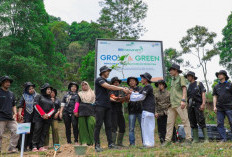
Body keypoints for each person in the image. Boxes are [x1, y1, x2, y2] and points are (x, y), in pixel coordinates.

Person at [94, 66, 130, 152]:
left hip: (107, 106)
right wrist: (122, 88)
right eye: (107, 71)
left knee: (109, 126)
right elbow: (109, 87)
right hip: (100, 106)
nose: (108, 72)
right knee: (98, 125)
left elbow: (108, 96)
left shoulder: (106, 81)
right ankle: (97, 145)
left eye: (109, 71)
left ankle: (110, 144)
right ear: (102, 72)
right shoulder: (99, 80)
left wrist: (118, 99)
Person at [162, 63, 191, 146]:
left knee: (185, 121)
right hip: (172, 105)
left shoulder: (181, 78)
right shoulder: (172, 80)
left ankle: (188, 139)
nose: (170, 71)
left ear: (176, 70)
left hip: (179, 103)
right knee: (169, 123)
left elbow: (184, 89)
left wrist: (183, 100)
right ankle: (167, 141)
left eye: (171, 70)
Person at [130, 72, 155, 147]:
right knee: (147, 127)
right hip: (148, 110)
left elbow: (141, 97)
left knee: (147, 127)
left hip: (148, 109)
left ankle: (147, 144)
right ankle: (149, 143)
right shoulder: (145, 87)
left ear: (146, 79)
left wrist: (131, 96)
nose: (141, 80)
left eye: (142, 78)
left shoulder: (148, 87)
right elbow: (138, 94)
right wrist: (131, 92)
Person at [185, 71, 208, 143]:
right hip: (190, 106)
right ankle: (196, 139)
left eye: (189, 76)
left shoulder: (199, 83)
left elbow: (203, 94)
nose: (188, 77)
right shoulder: (188, 86)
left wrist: (203, 104)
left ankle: (206, 139)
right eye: (187, 76)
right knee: (192, 121)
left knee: (201, 120)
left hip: (198, 104)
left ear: (192, 76)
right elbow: (188, 97)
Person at [32, 83, 55, 152]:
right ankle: (34, 146)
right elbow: (36, 105)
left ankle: (41, 146)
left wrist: (48, 115)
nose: (49, 91)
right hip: (38, 118)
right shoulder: (38, 96)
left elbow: (53, 109)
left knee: (44, 132)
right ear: (44, 89)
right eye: (48, 89)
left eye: (50, 89)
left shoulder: (50, 99)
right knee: (37, 130)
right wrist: (43, 114)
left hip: (47, 118)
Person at [0, 76, 19, 153]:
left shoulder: (11, 94)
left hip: (10, 117)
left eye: (9, 82)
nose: (8, 83)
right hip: (0, 117)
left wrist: (15, 113)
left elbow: (13, 105)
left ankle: (12, 148)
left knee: (17, 130)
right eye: (6, 82)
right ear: (2, 83)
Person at [154, 80, 177, 144]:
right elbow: (155, 104)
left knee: (171, 126)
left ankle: (174, 139)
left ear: (164, 85)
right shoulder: (156, 94)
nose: (160, 86)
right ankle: (162, 141)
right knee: (161, 128)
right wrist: (155, 112)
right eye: (158, 85)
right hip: (159, 112)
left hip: (168, 111)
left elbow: (172, 102)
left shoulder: (169, 93)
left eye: (161, 84)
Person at [73, 81, 95, 146]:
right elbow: (77, 103)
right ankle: (84, 142)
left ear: (88, 85)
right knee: (83, 127)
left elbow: (96, 102)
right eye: (82, 85)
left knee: (91, 124)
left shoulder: (93, 93)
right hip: (81, 111)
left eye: (85, 85)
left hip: (91, 111)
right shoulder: (79, 94)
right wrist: (76, 111)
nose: (84, 86)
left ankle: (93, 141)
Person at [17, 82, 37, 151]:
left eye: (32, 88)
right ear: (26, 90)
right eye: (29, 89)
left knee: (32, 131)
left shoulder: (36, 96)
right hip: (26, 115)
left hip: (34, 115)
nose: (31, 90)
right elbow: (20, 105)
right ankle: (22, 147)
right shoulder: (24, 96)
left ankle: (30, 146)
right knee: (25, 131)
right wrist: (19, 114)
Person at [213, 70, 232, 142]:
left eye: (220, 74)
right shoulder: (216, 86)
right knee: (220, 123)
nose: (219, 75)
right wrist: (214, 106)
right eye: (218, 74)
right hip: (219, 108)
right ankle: (223, 139)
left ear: (224, 76)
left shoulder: (230, 85)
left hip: (229, 107)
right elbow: (215, 96)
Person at [109, 77, 126, 146]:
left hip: (119, 110)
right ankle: (112, 143)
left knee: (122, 126)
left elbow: (124, 99)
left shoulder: (121, 90)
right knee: (114, 127)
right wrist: (119, 98)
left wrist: (124, 97)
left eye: (117, 82)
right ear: (112, 84)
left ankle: (119, 143)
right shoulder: (110, 90)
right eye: (115, 82)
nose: (116, 83)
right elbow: (113, 97)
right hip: (112, 110)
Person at [126, 77, 142, 146]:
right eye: (130, 81)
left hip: (140, 110)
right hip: (131, 111)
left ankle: (145, 142)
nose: (131, 82)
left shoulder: (140, 88)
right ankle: (132, 143)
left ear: (136, 82)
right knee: (131, 128)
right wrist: (128, 95)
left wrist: (132, 92)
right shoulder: (127, 89)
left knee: (142, 127)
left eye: (133, 81)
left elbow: (141, 95)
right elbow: (126, 100)